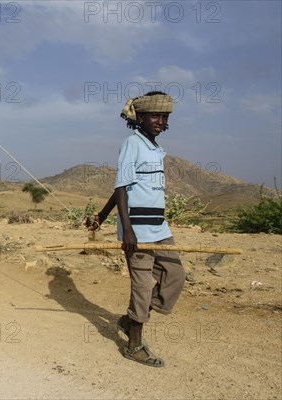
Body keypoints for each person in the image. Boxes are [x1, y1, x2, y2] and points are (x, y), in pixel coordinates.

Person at [87, 91, 186, 368]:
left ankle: (131, 320)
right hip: (138, 230)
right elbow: (121, 187)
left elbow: (125, 185)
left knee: (175, 275)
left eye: (164, 117)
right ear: (139, 117)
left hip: (160, 228)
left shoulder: (154, 148)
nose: (160, 121)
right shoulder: (133, 143)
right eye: (155, 115)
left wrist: (101, 216)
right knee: (142, 288)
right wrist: (127, 230)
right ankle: (134, 345)